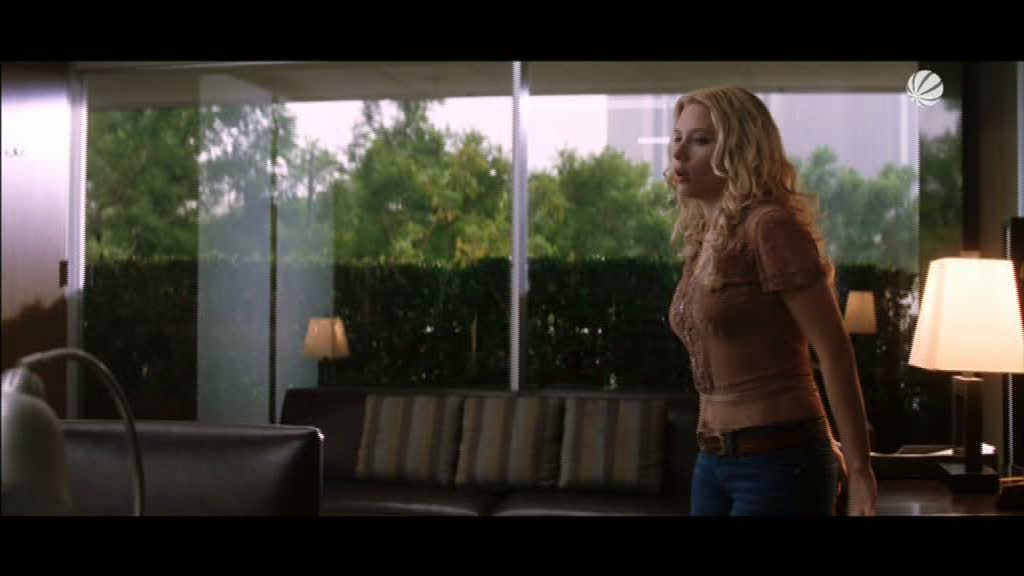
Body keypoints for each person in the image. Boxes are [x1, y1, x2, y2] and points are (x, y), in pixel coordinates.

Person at [665, 86, 877, 516]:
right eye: (677, 137)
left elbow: (834, 351)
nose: (679, 152)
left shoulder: (769, 227)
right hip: (712, 461)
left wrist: (860, 473)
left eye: (700, 140)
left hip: (778, 461)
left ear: (739, 150)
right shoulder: (704, 236)